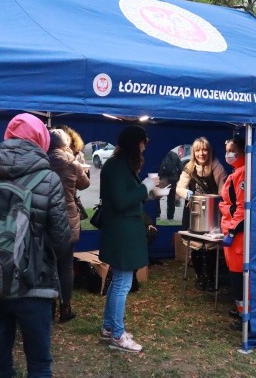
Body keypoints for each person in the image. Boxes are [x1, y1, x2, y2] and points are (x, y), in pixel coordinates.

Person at [0, 113, 71, 378]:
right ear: (40, 140)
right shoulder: (48, 179)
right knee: (39, 364)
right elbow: (61, 240)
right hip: (33, 285)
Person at [98, 125, 159, 353]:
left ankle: (108, 328)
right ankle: (117, 334)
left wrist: (149, 193)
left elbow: (128, 198)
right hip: (120, 233)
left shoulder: (122, 165)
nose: (144, 147)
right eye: (143, 142)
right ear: (136, 143)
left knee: (118, 282)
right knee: (122, 284)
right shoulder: (115, 166)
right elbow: (122, 201)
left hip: (124, 232)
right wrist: (145, 187)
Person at [47, 128, 90, 323]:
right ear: (66, 144)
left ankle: (49, 308)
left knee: (48, 265)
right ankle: (65, 308)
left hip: (46, 217)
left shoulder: (41, 161)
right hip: (68, 217)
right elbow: (85, 184)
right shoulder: (72, 164)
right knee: (65, 266)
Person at [219, 137, 247, 330]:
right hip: (231, 231)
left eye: (232, 150)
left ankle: (246, 317)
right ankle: (240, 310)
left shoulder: (243, 173)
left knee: (239, 277)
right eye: (227, 149)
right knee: (234, 274)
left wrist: (232, 231)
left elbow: (243, 208)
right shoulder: (237, 172)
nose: (228, 153)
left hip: (237, 235)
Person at [175, 137, 227, 230]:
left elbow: (222, 193)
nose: (201, 154)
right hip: (193, 210)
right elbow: (179, 188)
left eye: (204, 150)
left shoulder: (217, 168)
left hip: (212, 211)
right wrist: (189, 195)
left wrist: (215, 204)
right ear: (194, 153)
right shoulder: (189, 167)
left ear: (209, 152)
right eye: (197, 150)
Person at [157, 149, 183, 220]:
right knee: (171, 199)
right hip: (173, 179)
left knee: (157, 197)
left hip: (162, 179)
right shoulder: (174, 155)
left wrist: (158, 177)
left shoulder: (161, 154)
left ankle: (158, 215)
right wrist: (177, 177)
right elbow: (181, 167)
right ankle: (170, 217)